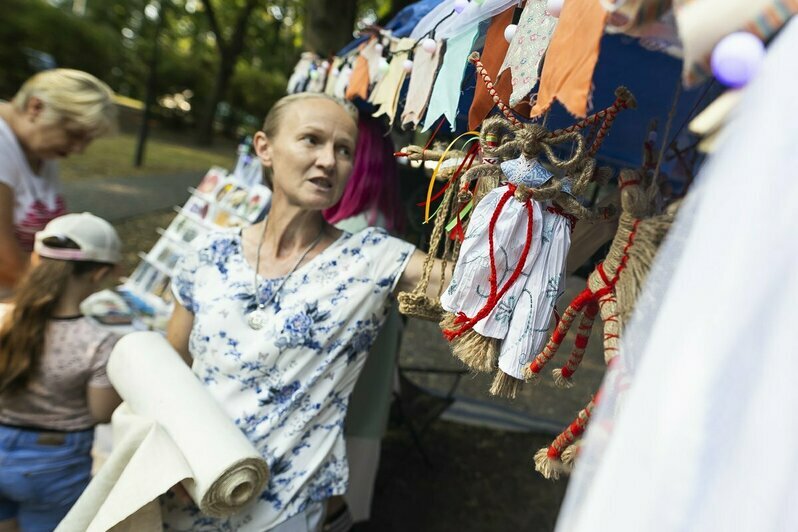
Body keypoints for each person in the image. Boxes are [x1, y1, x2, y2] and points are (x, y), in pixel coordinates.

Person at [165, 92, 437, 531]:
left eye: (344, 150)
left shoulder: (372, 257)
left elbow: (477, 290)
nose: (329, 161)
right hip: (189, 495)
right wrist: (167, 454)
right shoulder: (207, 254)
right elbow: (167, 369)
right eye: (312, 140)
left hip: (285, 510)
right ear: (264, 148)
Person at [0, 212, 124, 532]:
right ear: (99, 273)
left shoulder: (3, 318)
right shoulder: (100, 343)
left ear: (36, 259)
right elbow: (100, 412)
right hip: (55, 463)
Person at [322, 114, 406, 529]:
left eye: (341, 151)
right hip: (357, 405)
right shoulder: (373, 224)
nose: (325, 162)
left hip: (341, 411)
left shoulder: (355, 234)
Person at [0, 69, 117, 297]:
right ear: (36, 107)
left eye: (87, 140)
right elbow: (4, 258)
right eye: (73, 134)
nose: (79, 149)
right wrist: (60, 301)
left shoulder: (40, 148)